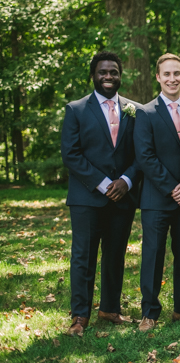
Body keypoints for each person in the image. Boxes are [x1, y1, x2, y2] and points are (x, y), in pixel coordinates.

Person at [61, 51, 141, 336]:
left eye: (114, 72)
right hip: (87, 197)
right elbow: (71, 155)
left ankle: (110, 308)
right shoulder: (76, 110)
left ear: (121, 75)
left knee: (115, 254)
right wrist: (103, 182)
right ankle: (80, 315)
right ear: (93, 75)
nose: (109, 76)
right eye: (103, 72)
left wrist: (127, 181)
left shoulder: (135, 110)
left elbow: (141, 153)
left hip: (123, 196)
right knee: (83, 256)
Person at [134, 53, 180, 333]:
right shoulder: (145, 112)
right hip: (156, 197)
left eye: (177, 74)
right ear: (158, 78)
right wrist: (172, 187)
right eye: (167, 74)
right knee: (153, 254)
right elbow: (145, 156)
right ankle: (149, 312)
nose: (172, 79)